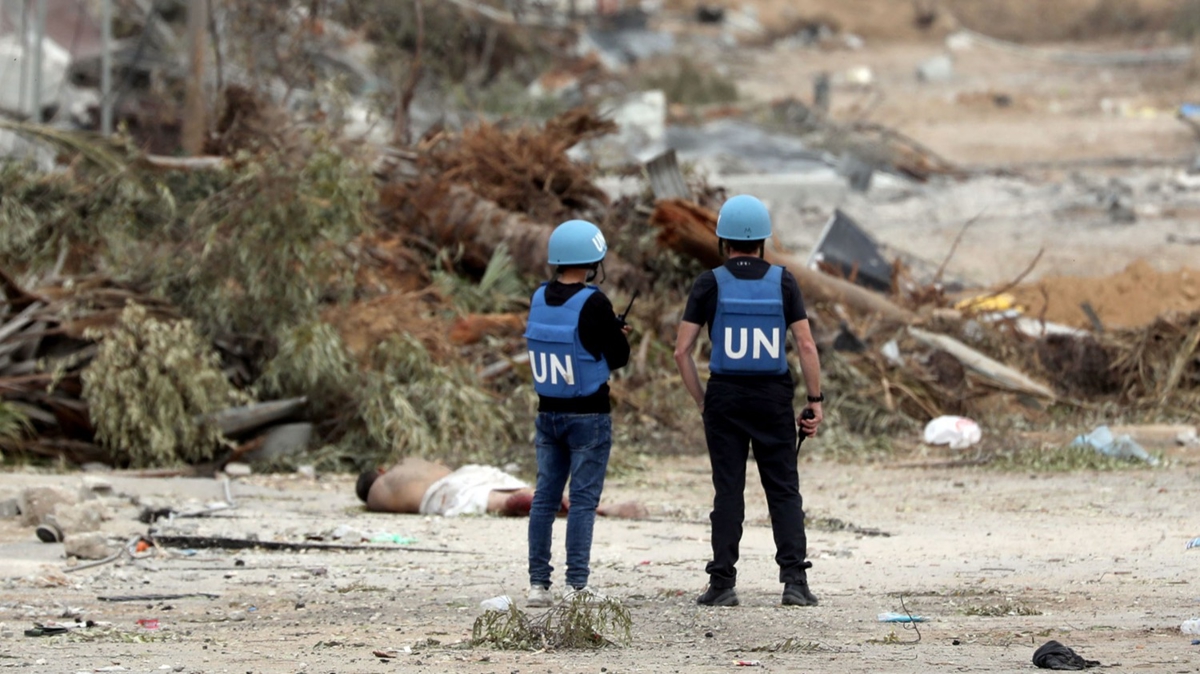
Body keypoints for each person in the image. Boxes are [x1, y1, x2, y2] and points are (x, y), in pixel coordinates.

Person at [673, 194, 824, 608]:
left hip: (725, 395)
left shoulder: (709, 283)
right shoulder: (783, 281)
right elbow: (806, 346)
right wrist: (815, 400)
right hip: (772, 397)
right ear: (762, 240)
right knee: (783, 490)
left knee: (728, 492)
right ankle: (795, 583)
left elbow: (681, 351)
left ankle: (722, 583)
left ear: (724, 242)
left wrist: (703, 401)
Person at [524, 219, 631, 608]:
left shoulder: (537, 297)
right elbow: (617, 357)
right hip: (589, 415)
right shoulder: (595, 302)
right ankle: (576, 586)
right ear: (592, 260)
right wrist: (618, 333)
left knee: (544, 499)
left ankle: (538, 585)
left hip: (547, 413)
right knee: (582, 501)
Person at [355, 457, 647, 520]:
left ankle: (513, 503)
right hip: (466, 473)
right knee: (517, 488)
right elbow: (443, 467)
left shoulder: (376, 494)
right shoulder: (408, 462)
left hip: (440, 494)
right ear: (381, 468)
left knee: (491, 500)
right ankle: (602, 507)